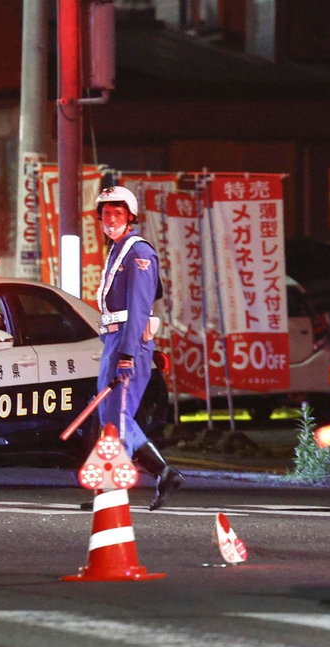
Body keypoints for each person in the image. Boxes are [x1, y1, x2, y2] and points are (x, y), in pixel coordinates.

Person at [95, 185, 184, 511]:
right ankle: (163, 473)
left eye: (117, 213)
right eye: (106, 213)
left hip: (128, 343)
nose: (111, 219)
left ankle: (111, 494)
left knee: (116, 419)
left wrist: (128, 353)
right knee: (111, 416)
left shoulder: (139, 252)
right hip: (114, 341)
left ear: (130, 216)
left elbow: (139, 306)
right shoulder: (117, 250)